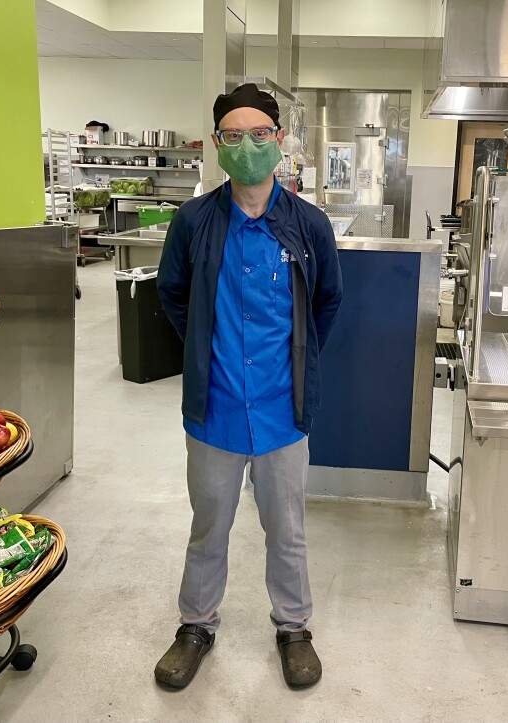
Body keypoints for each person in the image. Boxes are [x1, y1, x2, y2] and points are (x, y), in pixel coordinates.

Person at [155, 83, 343, 691]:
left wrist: (296, 362)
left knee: (286, 529)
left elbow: (326, 304)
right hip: (214, 411)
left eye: (260, 134)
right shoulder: (195, 221)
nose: (248, 145)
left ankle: (293, 629)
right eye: (233, 136)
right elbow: (174, 294)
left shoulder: (307, 226)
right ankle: (195, 626)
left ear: (279, 141)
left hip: (282, 410)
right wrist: (203, 348)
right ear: (217, 145)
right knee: (208, 526)